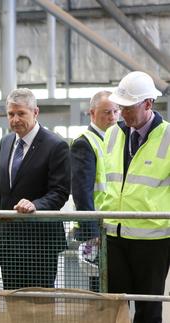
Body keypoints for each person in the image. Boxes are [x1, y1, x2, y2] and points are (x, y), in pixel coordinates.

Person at [102, 71, 170, 323]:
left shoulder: (168, 137)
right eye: (121, 106)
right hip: (114, 235)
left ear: (149, 104)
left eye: (129, 106)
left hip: (153, 239)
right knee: (114, 305)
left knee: (148, 307)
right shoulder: (113, 133)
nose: (123, 112)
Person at [0, 88, 70, 323]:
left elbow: (60, 192)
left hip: (41, 243)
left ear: (35, 112)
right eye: (11, 114)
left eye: (21, 113)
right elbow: (3, 193)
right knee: (15, 307)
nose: (15, 120)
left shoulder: (56, 145)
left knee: (43, 309)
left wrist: (35, 205)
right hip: (9, 243)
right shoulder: (6, 143)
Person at [70, 91, 120, 292]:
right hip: (97, 231)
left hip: (113, 227)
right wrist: (92, 233)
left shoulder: (117, 140)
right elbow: (82, 192)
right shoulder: (85, 142)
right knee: (100, 289)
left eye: (116, 111)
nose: (113, 117)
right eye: (107, 112)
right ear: (92, 113)